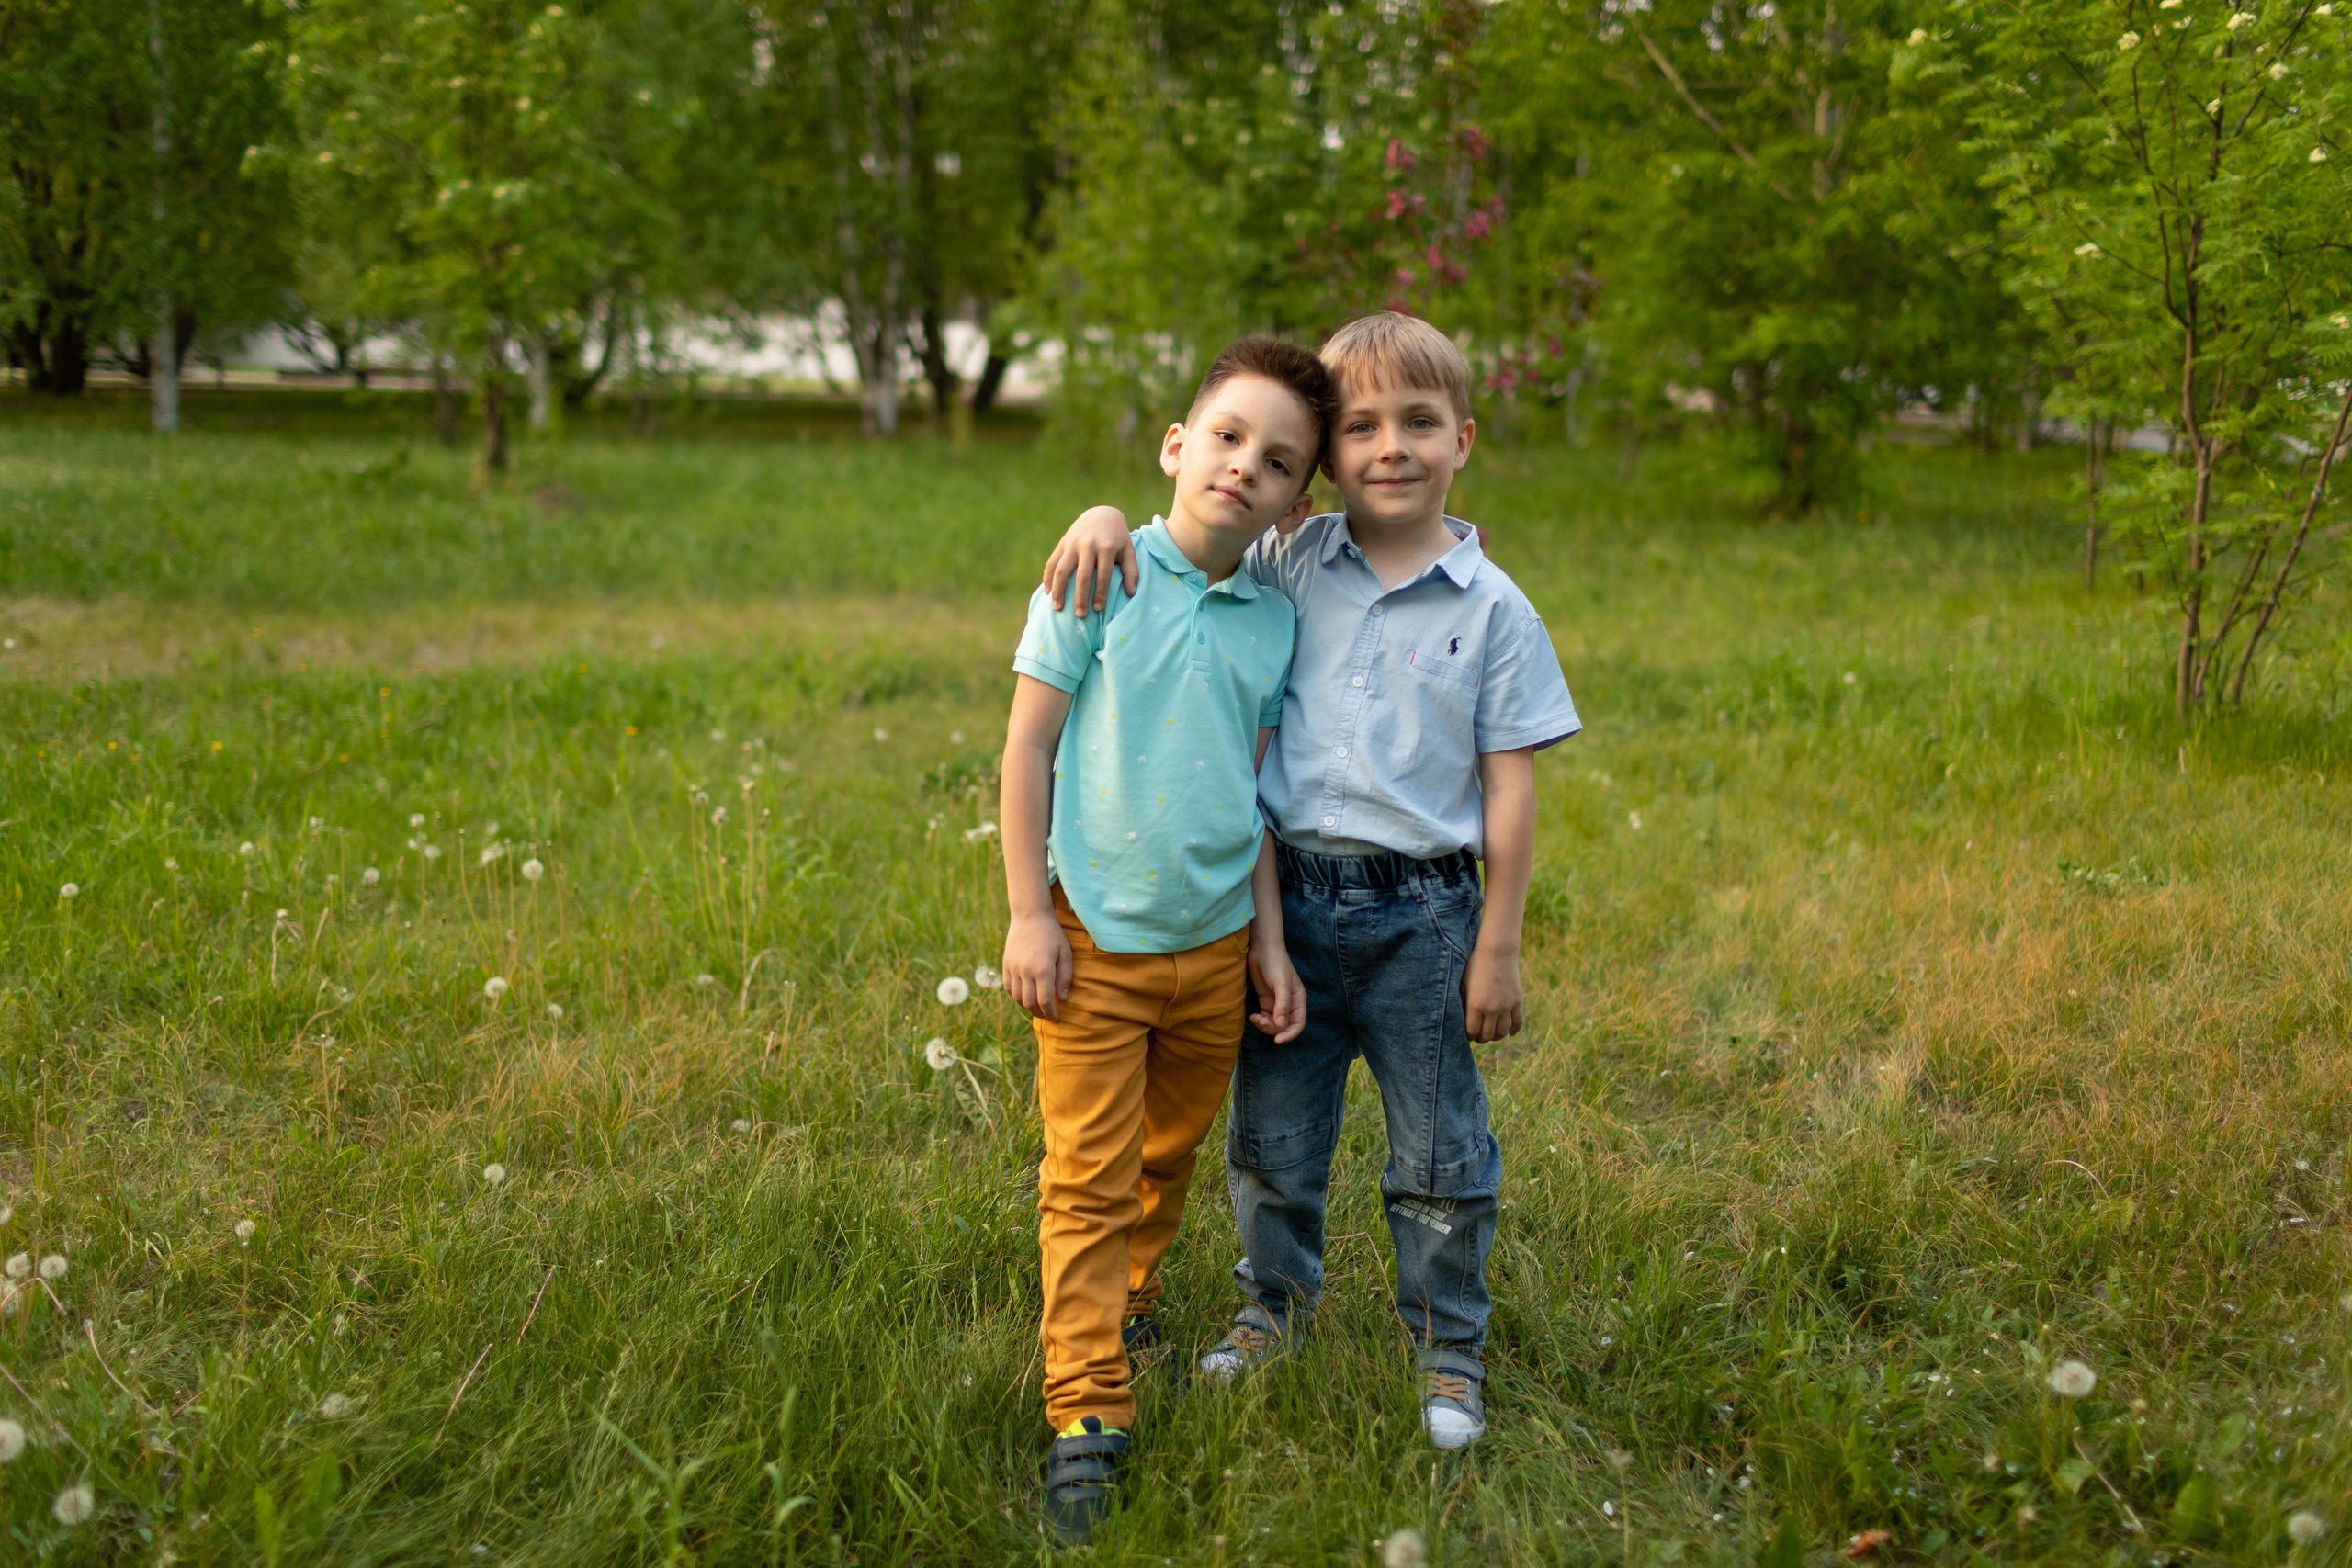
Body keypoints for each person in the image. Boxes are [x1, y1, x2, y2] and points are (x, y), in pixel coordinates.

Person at [1039, 311, 1579, 1451]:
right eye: (1364, 427)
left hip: (1425, 913)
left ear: (1464, 439)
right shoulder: (1289, 559)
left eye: (1420, 423)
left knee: (1437, 1147)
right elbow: (1181, 534)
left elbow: (1512, 788)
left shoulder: (1495, 610)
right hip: (1276, 904)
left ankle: (1446, 1345)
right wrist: (1097, 514)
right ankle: (1273, 1307)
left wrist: (1500, 944)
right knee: (1272, 1141)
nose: (1392, 447)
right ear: (1323, 467)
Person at [1000, 336, 1334, 1544]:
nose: (1248, 466)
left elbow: (1252, 793)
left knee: (1170, 1151)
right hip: (1094, 943)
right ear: (1177, 445)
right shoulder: (1099, 573)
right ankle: (1087, 1405)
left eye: (1281, 460)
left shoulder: (1269, 622)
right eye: (1230, 436)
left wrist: (1273, 943)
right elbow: (1027, 747)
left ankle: (1129, 1294)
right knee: (1085, 1173)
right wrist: (1031, 910)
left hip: (1217, 943)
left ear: (1299, 502)